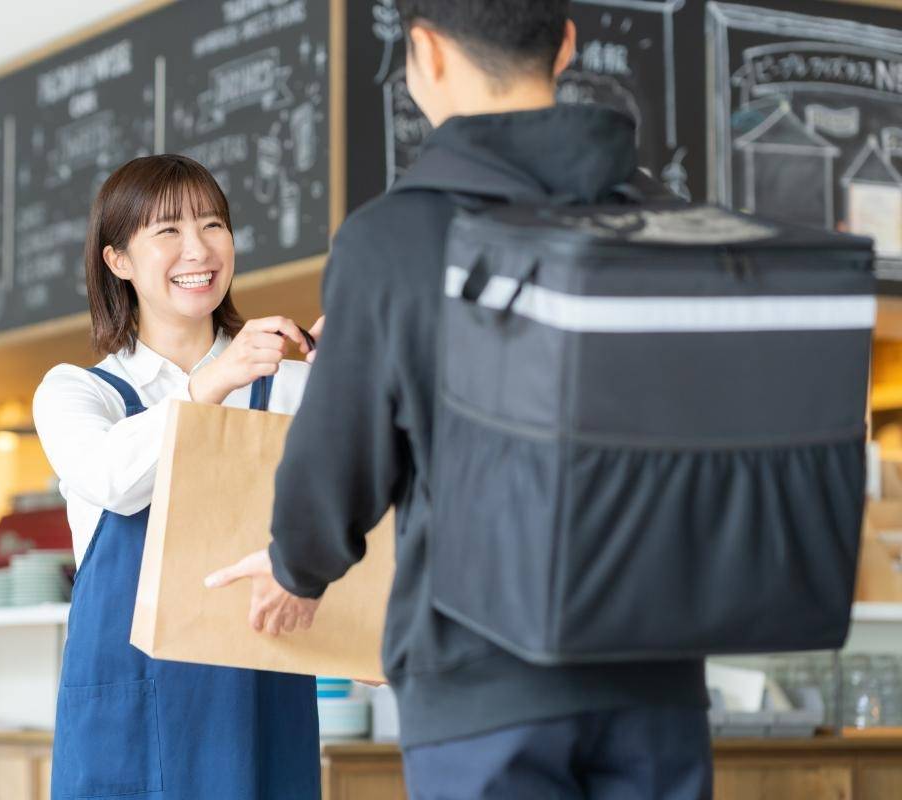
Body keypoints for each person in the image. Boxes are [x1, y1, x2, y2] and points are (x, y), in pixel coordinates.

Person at [204, 3, 713, 798]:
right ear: (568, 45)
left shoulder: (394, 240)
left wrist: (294, 568)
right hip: (654, 672)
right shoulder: (671, 224)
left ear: (425, 52)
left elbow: (341, 457)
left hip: (481, 681)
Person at [34, 154, 320, 800]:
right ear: (118, 260)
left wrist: (358, 383)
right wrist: (212, 383)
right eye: (167, 230)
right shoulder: (76, 393)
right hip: (127, 706)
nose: (198, 248)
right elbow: (115, 480)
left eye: (213, 224)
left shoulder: (295, 387)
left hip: (259, 698)